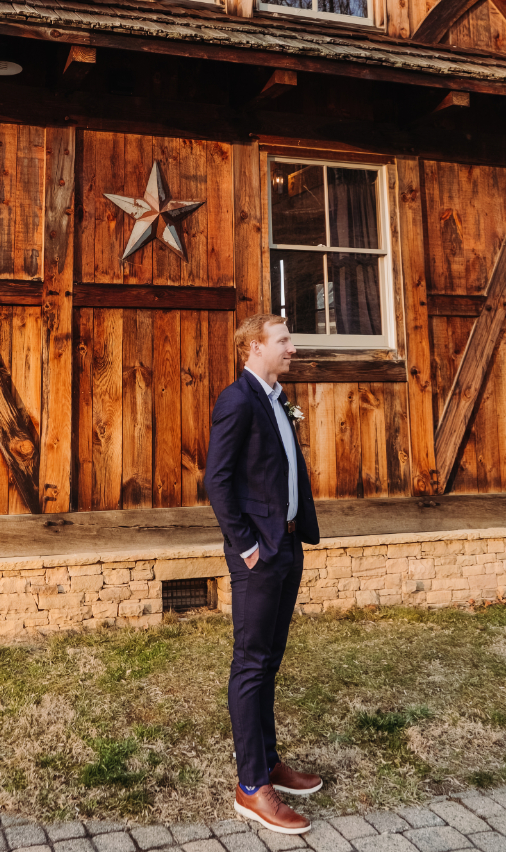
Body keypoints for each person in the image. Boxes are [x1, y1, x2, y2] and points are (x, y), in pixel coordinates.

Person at [205, 313, 322, 834]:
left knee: (270, 661)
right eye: (283, 341)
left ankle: (269, 760)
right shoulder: (238, 400)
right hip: (259, 555)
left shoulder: (276, 401)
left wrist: (289, 537)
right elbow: (218, 482)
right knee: (250, 664)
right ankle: (251, 786)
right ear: (253, 347)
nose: (292, 348)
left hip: (288, 545)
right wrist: (248, 546)